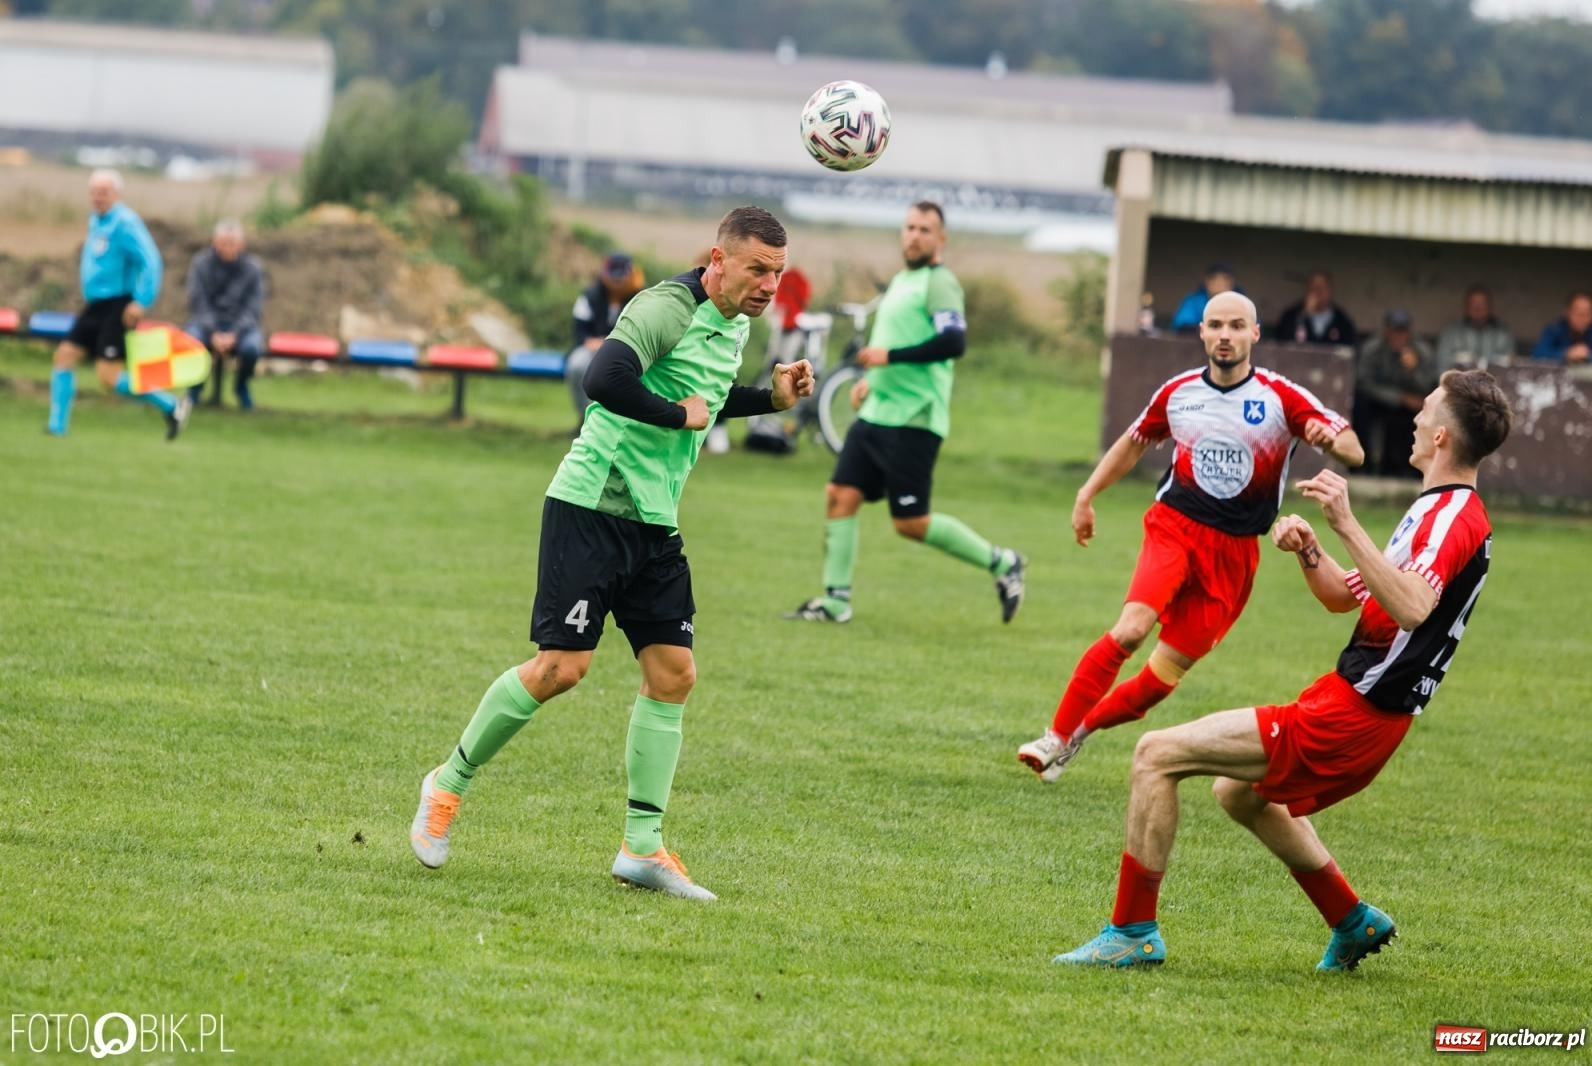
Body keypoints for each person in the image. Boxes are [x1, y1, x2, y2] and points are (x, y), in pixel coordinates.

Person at [410, 207, 814, 900]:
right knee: (561, 669)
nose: (767, 285)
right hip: (591, 506)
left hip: (655, 521)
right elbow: (605, 379)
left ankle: (642, 849)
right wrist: (676, 415)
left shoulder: (737, 323)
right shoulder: (664, 307)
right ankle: (446, 786)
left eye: (776, 273)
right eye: (755, 269)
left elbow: (701, 401)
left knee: (673, 674)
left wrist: (767, 400)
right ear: (714, 259)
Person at [1052, 369, 1512, 970]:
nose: (1417, 419)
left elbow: (1411, 607)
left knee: (1155, 754)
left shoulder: (1453, 516)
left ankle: (1133, 931)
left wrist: (1345, 523)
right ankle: (1352, 921)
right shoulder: (1435, 510)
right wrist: (1310, 550)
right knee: (1240, 794)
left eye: (1426, 410)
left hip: (1357, 714)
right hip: (1356, 704)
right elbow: (1346, 597)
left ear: (1444, 438)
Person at [1017, 291, 1364, 782]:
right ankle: (1054, 735)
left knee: (1160, 681)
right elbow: (1134, 440)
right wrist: (1086, 494)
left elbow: (1353, 448)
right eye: (1216, 325)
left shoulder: (1280, 397)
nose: (1225, 335)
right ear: (1201, 331)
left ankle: (1078, 735)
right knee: (1131, 629)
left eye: (1237, 326)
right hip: (1174, 528)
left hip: (1235, 554)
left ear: (1255, 334)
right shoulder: (1178, 392)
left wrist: (1335, 442)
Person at [784, 201, 1025, 625]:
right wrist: (869, 381)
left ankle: (1003, 563)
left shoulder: (940, 283)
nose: (914, 235)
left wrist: (888, 356)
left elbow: (953, 344)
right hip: (877, 413)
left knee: (911, 522)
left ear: (941, 239)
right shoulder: (902, 281)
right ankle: (836, 601)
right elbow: (892, 342)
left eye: (925, 229)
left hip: (914, 420)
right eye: (909, 227)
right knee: (840, 496)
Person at [45, 168, 190, 439]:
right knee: (64, 356)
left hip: (118, 306)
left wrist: (141, 301)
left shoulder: (125, 222)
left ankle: (171, 405)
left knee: (108, 377)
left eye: (104, 192)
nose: (98, 198)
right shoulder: (96, 220)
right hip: (96, 304)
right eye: (94, 192)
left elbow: (151, 261)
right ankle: (57, 427)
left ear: (116, 194)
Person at [185, 218, 267, 410]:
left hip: (241, 327)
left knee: (252, 348)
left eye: (232, 243)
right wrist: (213, 332)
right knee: (192, 341)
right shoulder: (200, 264)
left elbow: (253, 308)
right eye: (223, 243)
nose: (227, 248)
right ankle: (195, 388)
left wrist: (234, 334)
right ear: (214, 243)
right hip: (206, 324)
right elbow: (198, 302)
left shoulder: (253, 269)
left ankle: (241, 387)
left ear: (241, 245)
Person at [564, 252, 646, 430]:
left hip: (625, 353)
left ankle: (617, 425)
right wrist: (590, 342)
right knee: (577, 365)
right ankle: (586, 420)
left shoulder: (641, 297)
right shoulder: (589, 296)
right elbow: (580, 331)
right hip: (590, 349)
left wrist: (608, 344)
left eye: (620, 278)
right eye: (612, 277)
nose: (616, 283)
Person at [1353, 308, 1438, 478]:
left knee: (1421, 414)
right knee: (1360, 405)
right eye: (1395, 331)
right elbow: (1364, 383)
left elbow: (1429, 386)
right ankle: (1364, 465)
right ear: (1387, 331)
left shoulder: (1422, 351)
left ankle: (1411, 470)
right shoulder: (1373, 348)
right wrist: (1399, 398)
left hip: (1410, 405)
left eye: (1403, 332)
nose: (1399, 337)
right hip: (1380, 401)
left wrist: (1413, 370)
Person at [1435, 284, 1515, 369]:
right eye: (1473, 303)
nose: (1478, 308)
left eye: (1482, 303)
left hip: (1495, 380)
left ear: (1490, 306)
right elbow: (1442, 367)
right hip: (1460, 381)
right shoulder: (1450, 333)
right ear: (1466, 306)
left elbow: (1510, 366)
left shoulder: (1503, 333)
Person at [1273, 270, 1357, 347]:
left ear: (1330, 290)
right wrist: (1304, 315)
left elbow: (1350, 350)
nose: (1318, 292)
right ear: (1307, 289)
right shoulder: (1291, 316)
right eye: (1314, 287)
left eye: (1322, 287)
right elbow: (1283, 343)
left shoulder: (1342, 320)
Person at [1530, 290, 1592, 365]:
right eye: (1578, 312)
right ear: (1567, 312)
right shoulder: (1554, 329)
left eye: (1587, 313)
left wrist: (1589, 355)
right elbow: (1537, 355)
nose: (1582, 318)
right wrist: (1566, 354)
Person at [1170, 263, 1239, 333]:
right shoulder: (1194, 301)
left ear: (1232, 283)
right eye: (1214, 279)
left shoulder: (1240, 303)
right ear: (1207, 281)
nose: (1219, 284)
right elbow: (1182, 325)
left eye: (1225, 279)